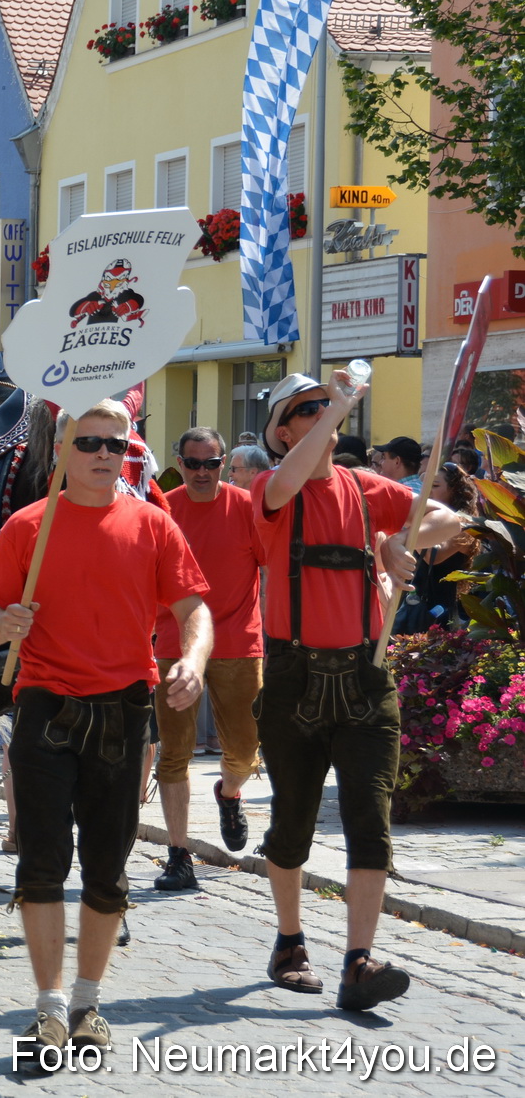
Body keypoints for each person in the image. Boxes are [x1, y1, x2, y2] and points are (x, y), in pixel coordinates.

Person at [0, 399, 211, 1071]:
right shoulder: (28, 526)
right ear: (62, 451)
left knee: (108, 869)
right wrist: (3, 623)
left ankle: (87, 1003)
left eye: (116, 443)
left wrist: (193, 661)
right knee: (42, 863)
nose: (104, 453)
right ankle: (49, 1007)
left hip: (124, 712)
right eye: (89, 443)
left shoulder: (153, 524)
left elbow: (194, 608)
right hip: (46, 708)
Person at [254, 370, 467, 1012]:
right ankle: (290, 941)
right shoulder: (270, 487)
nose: (324, 413)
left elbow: (448, 519)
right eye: (307, 409)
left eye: (327, 404)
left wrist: (395, 541)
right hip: (293, 678)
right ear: (282, 432)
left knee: (370, 822)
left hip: (365, 677)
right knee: (292, 822)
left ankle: (358, 962)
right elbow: (287, 484)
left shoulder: (364, 487)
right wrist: (341, 403)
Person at [152, 427, 265, 892]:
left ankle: (229, 794)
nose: (202, 472)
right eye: (193, 463)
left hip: (238, 641)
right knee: (174, 753)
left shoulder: (247, 508)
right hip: (173, 645)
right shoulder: (162, 509)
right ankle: (179, 855)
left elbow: (275, 567)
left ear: (224, 464)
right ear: (179, 463)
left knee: (244, 749)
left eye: (212, 463)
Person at [395, 462, 480, 634]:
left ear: (454, 490)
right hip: (415, 606)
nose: (427, 492)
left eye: (434, 486)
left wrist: (412, 526)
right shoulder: (426, 521)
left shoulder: (464, 524)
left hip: (442, 612)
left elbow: (434, 557)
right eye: (425, 486)